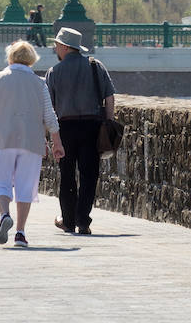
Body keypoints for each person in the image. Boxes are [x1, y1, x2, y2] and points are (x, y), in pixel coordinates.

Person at [0, 40, 64, 247]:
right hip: (31, 142)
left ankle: (5, 215)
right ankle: (20, 233)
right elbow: (50, 117)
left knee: (1, 184)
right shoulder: (40, 84)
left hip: (0, 140)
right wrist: (57, 143)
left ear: (10, 57)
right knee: (25, 187)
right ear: (32, 60)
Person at [45, 27, 115, 235]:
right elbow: (109, 98)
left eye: (57, 44)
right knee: (89, 174)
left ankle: (67, 221)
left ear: (65, 47)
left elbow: (49, 107)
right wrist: (108, 123)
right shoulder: (95, 66)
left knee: (67, 174)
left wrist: (51, 135)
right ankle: (83, 220)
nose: (55, 47)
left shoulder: (54, 72)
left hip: (65, 127)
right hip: (92, 126)